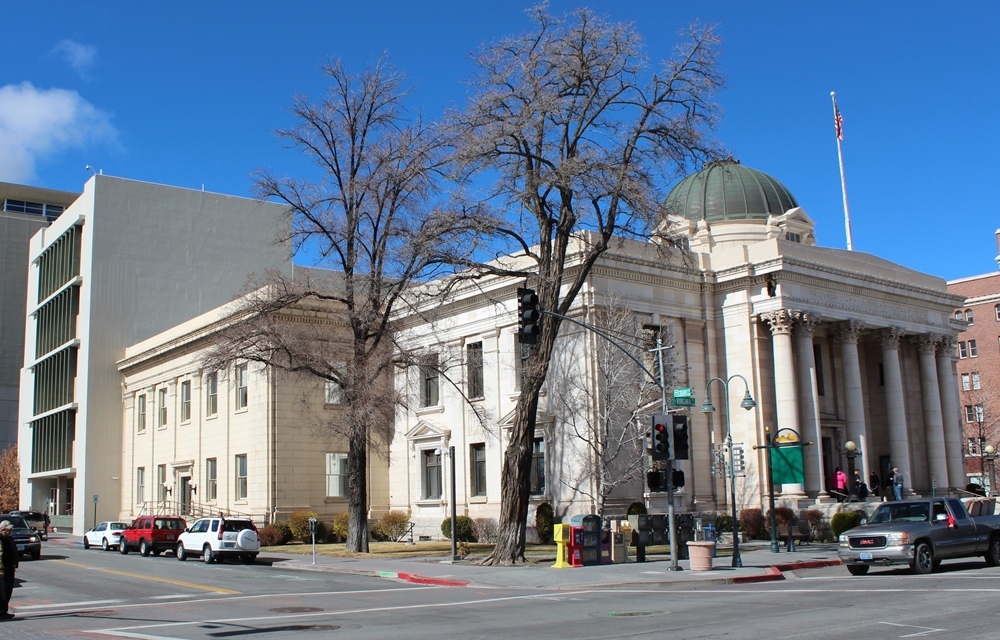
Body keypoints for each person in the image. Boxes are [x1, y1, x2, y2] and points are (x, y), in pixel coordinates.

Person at [0, 520, 17, 620]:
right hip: (4, 570)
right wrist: (1, 569)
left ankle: (4, 611)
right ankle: (1, 612)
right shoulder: (1, 539)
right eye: (8, 530)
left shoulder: (8, 538)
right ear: (2, 530)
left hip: (10, 568)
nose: (10, 531)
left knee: (8, 590)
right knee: (3, 592)